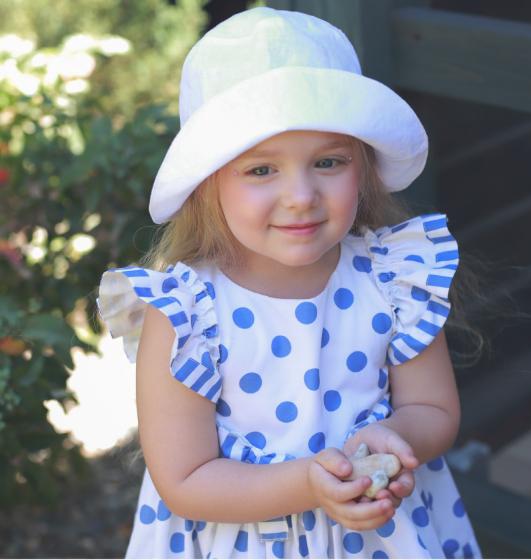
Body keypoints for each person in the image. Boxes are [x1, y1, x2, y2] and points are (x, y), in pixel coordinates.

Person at [97, 7, 481, 559]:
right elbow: (184, 478)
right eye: (261, 169)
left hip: (385, 536)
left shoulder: (395, 277)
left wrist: (396, 441)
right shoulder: (187, 313)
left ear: (364, 168)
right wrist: (310, 484)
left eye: (328, 162)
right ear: (207, 184)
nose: (301, 196)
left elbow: (434, 410)